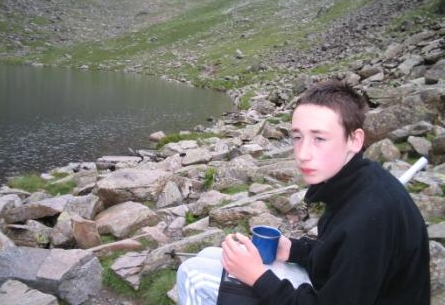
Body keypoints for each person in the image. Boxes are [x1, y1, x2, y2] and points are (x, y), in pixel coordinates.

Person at [177, 81, 430, 305]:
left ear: (354, 140)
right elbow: (337, 257)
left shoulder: (371, 217)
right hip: (329, 289)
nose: (303, 153)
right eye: (297, 137)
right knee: (210, 256)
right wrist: (293, 250)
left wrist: (257, 277)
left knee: (193, 275)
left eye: (319, 138)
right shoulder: (357, 182)